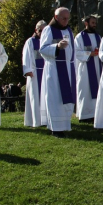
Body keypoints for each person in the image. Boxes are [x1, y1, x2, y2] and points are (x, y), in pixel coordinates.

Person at [39, 8, 76, 138]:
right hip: (54, 69)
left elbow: (73, 50)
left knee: (65, 99)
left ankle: (65, 125)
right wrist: (57, 47)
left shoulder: (68, 30)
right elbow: (42, 49)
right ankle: (55, 128)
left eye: (68, 18)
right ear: (56, 17)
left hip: (68, 68)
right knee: (55, 98)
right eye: (63, 18)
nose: (66, 21)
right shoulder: (48, 30)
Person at [74, 15, 103, 123]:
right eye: (92, 23)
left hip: (97, 67)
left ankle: (96, 113)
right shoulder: (79, 37)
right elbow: (76, 52)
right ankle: (85, 115)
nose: (95, 25)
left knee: (97, 91)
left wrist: (99, 51)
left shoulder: (98, 37)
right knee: (85, 90)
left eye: (95, 23)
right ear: (86, 23)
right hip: (85, 69)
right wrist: (89, 53)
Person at [22, 20, 47, 127]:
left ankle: (47, 120)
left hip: (46, 73)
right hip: (35, 73)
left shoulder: (48, 41)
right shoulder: (30, 41)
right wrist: (27, 70)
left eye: (44, 30)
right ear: (36, 30)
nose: (42, 33)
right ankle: (36, 121)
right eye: (40, 30)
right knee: (35, 97)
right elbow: (26, 56)